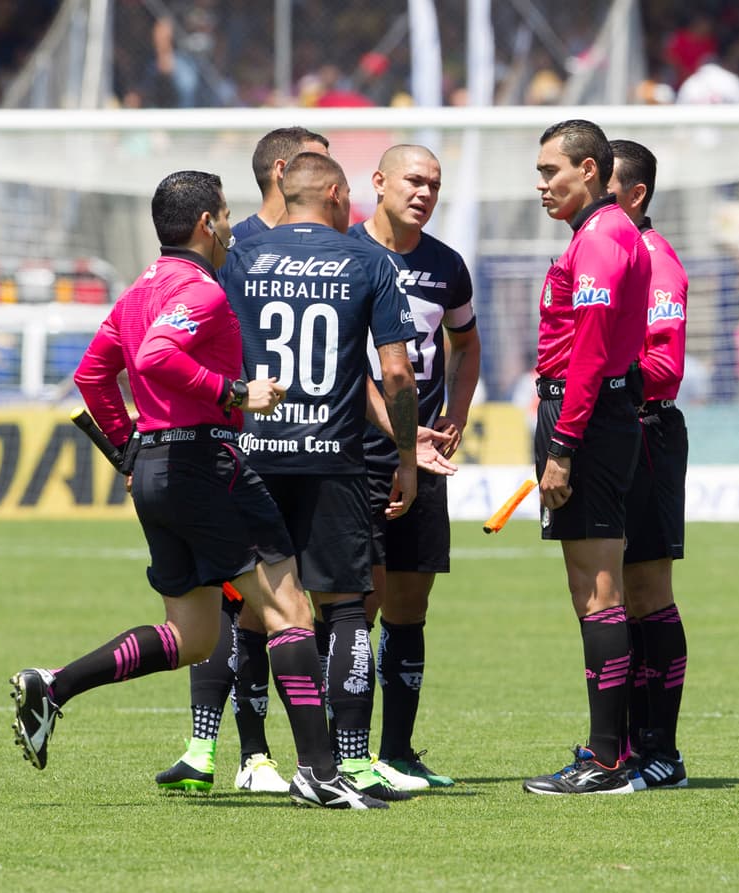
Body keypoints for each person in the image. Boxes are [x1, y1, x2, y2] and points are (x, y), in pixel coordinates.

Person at [10, 170, 387, 809]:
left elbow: (93, 374)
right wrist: (236, 393)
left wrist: (129, 448)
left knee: (193, 637)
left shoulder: (139, 290)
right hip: (206, 464)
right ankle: (319, 774)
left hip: (158, 471)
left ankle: (54, 685)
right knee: (291, 611)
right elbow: (157, 356)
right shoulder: (201, 290)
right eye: (227, 214)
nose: (232, 225)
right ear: (207, 223)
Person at [220, 151, 421, 801]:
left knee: (265, 612)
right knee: (345, 608)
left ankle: (266, 756)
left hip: (254, 456)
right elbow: (396, 373)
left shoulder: (239, 257)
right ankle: (351, 762)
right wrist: (408, 457)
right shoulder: (368, 261)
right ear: (335, 195)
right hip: (334, 460)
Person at [155, 126, 331, 796]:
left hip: (319, 448)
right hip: (243, 449)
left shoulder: (336, 247)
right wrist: (230, 398)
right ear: (284, 169)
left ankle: (334, 754)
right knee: (242, 607)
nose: (330, 175)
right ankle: (240, 753)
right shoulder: (230, 249)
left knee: (312, 605)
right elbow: (175, 344)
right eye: (316, 161)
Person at [522, 119, 651, 796]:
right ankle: (615, 750)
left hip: (587, 420)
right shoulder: (606, 233)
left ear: (590, 170)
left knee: (596, 589)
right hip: (598, 416)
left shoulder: (600, 239)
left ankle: (606, 762)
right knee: (599, 587)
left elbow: (592, 352)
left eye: (552, 171)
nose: (542, 185)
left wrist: (563, 446)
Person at [348, 145, 481, 790]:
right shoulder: (343, 255)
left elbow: (467, 342)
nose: (424, 193)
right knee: (356, 606)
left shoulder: (446, 266)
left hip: (424, 455)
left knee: (410, 605)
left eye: (434, 183)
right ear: (378, 182)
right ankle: (344, 755)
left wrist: (456, 413)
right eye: (413, 180)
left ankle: (396, 754)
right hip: (354, 454)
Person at [606, 139, 690, 790]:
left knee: (648, 593)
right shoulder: (610, 253)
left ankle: (661, 752)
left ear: (635, 195)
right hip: (612, 433)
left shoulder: (655, 259)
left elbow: (664, 364)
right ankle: (631, 745)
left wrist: (601, 378)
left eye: (604, 188)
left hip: (646, 431)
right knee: (620, 595)